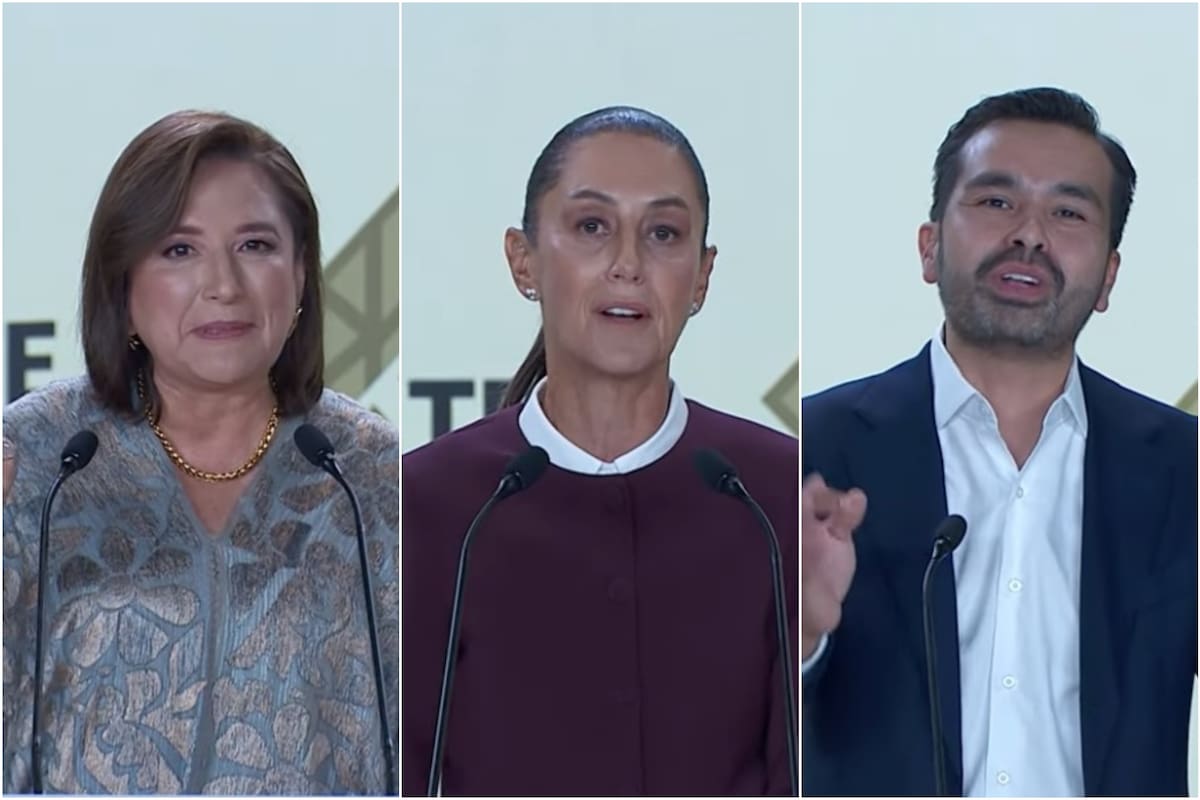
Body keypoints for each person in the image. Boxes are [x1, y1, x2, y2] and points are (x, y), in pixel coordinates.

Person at [801, 87, 1197, 796]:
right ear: (929, 248)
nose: (1030, 235)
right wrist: (797, 639)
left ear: (1108, 277)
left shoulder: (1183, 468)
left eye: (1069, 212)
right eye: (996, 202)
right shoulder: (810, 455)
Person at [402, 106, 799, 796]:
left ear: (701, 277)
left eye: (663, 234)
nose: (627, 265)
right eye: (591, 227)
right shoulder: (428, 502)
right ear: (521, 260)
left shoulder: (774, 494)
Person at [2, 111, 399, 794]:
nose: (223, 284)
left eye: (255, 246)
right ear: (122, 286)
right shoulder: (40, 457)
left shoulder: (370, 473)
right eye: (179, 250)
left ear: (300, 275)